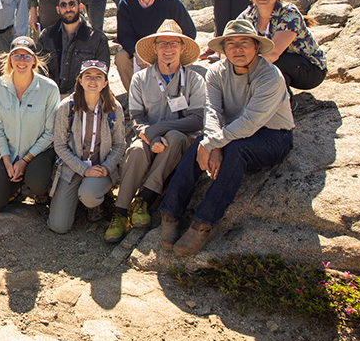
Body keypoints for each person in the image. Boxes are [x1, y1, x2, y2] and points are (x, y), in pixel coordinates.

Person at [159, 19, 294, 255]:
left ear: (256, 47)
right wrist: (212, 143)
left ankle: (203, 223)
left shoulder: (270, 77)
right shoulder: (216, 72)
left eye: (244, 43)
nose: (237, 49)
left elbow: (251, 122)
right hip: (231, 130)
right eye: (230, 44)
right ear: (223, 49)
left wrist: (215, 143)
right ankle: (170, 213)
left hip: (272, 135)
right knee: (199, 146)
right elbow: (211, 110)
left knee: (236, 150)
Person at [104, 21, 205, 243]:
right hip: (148, 138)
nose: (168, 48)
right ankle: (120, 212)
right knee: (137, 150)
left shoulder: (195, 79)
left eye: (173, 43)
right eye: (162, 43)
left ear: (182, 48)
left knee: (175, 137)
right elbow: (137, 118)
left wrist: (159, 130)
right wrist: (151, 135)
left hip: (181, 141)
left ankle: (144, 200)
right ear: (155, 47)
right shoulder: (140, 79)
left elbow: (197, 119)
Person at [0, 37, 61, 213]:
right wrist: (6, 159)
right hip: (10, 152)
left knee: (38, 184)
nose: (21, 61)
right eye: (17, 56)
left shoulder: (49, 88)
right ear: (10, 59)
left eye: (27, 57)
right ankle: (16, 186)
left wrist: (25, 161)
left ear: (34, 60)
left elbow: (50, 133)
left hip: (38, 152)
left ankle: (33, 184)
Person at [48, 61, 126, 234]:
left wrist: (106, 168)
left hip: (100, 168)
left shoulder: (114, 108)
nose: (93, 81)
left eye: (98, 77)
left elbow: (119, 144)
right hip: (72, 169)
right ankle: (78, 197)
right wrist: (83, 169)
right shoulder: (66, 107)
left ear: (105, 82)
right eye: (88, 76)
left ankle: (96, 201)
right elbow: (60, 145)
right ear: (80, 80)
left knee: (89, 196)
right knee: (59, 226)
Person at [115, 0, 197, 89]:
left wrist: (170, 48)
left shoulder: (172, 2)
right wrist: (137, 52)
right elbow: (124, 35)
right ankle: (134, 96)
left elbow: (189, 33)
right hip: (139, 49)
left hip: (166, 47)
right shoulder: (126, 2)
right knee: (121, 58)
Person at [237, 0, 327, 91]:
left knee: (272, 64)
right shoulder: (248, 15)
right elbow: (231, 41)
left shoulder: (289, 14)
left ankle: (284, 103)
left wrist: (242, 70)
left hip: (310, 70)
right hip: (281, 66)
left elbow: (273, 53)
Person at [37, 0, 110, 96]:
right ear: (58, 9)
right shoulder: (46, 36)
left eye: (72, 4)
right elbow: (39, 69)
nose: (68, 9)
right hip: (50, 97)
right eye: (63, 5)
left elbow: (101, 74)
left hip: (84, 98)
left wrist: (70, 96)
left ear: (80, 7)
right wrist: (53, 95)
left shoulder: (97, 38)